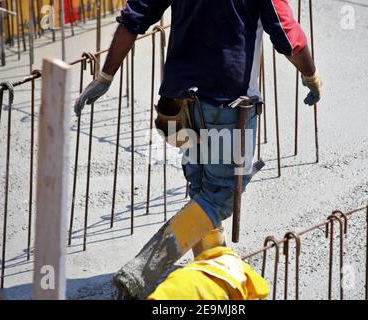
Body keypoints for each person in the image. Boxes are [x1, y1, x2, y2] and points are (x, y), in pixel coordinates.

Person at [74, 0, 322, 300]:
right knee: (220, 195)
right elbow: (286, 36)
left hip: (176, 103)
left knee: (201, 186)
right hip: (226, 101)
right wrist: (310, 75)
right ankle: (140, 270)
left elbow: (134, 16)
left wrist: (106, 76)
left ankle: (211, 263)